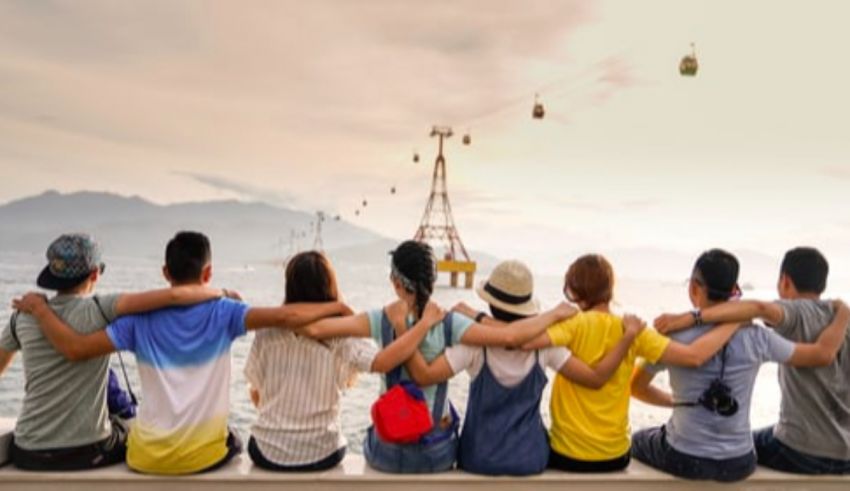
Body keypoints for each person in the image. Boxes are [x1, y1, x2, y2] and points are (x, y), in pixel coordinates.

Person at [13, 231, 352, 475]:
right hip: (204, 458)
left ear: (165, 273)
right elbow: (286, 316)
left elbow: (77, 348)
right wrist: (339, 306)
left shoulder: (136, 321)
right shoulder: (227, 313)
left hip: (144, 459)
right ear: (208, 273)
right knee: (232, 436)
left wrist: (41, 312)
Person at [296, 241, 577, 473]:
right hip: (435, 454)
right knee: (448, 419)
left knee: (374, 430)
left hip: (388, 453)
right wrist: (553, 315)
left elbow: (313, 329)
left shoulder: (380, 318)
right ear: (432, 280)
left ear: (395, 283)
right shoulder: (451, 323)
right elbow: (510, 337)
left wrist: (339, 306)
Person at [0, 233, 225, 471]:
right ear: (95, 273)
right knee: (129, 424)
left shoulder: (23, 316)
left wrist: (39, 308)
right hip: (86, 451)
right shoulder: (101, 309)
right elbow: (175, 296)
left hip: (28, 451)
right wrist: (221, 293)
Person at [402, 259, 647, 476]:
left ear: (490, 304)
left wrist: (408, 330)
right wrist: (627, 338)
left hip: (478, 458)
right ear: (526, 305)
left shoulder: (475, 346)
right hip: (530, 459)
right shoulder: (546, 347)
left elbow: (424, 376)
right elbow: (595, 379)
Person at [632, 249, 849, 481]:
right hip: (741, 462)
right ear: (734, 291)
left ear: (693, 287)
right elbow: (817, 353)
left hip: (690, 459)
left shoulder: (671, 335)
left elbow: (636, 386)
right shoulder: (759, 337)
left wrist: (676, 402)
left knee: (637, 441)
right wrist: (843, 313)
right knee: (750, 440)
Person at [522, 253, 744, 473]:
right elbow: (693, 356)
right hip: (615, 457)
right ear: (610, 289)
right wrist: (734, 320)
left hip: (568, 455)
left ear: (574, 291)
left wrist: (551, 316)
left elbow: (525, 340)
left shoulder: (572, 325)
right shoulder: (634, 330)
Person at [244, 251, 446, 472]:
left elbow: (257, 395)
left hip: (266, 452)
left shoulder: (267, 333)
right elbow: (383, 361)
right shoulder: (341, 336)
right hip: (322, 453)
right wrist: (423, 324)